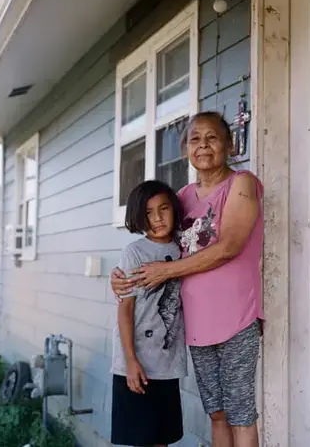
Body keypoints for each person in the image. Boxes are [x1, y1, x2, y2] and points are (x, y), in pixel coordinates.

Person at [111, 111, 264, 447]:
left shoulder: (242, 184)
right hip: (195, 325)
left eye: (212, 137)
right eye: (195, 139)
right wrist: (121, 278)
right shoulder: (180, 198)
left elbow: (229, 247)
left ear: (229, 144)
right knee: (217, 413)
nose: (203, 145)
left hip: (237, 317)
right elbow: (157, 246)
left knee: (241, 412)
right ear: (185, 150)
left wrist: (165, 272)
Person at [110, 180, 187, 447]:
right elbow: (126, 309)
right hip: (136, 364)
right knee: (142, 440)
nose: (157, 218)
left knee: (161, 440)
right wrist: (130, 361)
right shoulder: (135, 253)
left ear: (174, 209)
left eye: (163, 209)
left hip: (166, 363)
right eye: (148, 213)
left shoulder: (183, 250)